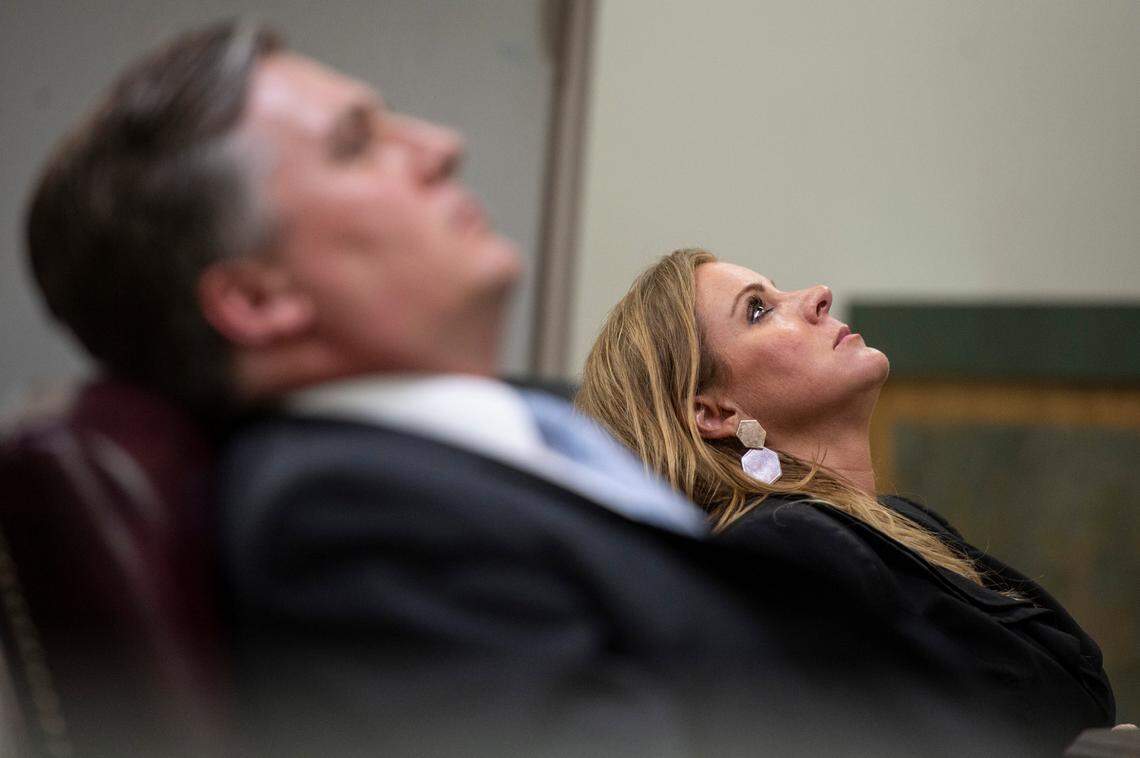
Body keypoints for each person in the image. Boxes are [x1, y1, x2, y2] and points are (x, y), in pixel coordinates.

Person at [23, 19, 1106, 757]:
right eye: (360, 145)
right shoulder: (349, 512)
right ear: (257, 299)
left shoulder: (505, 444)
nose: (441, 146)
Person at [577, 247, 1118, 753]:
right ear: (715, 413)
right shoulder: (782, 551)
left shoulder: (898, 522)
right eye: (760, 311)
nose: (817, 295)